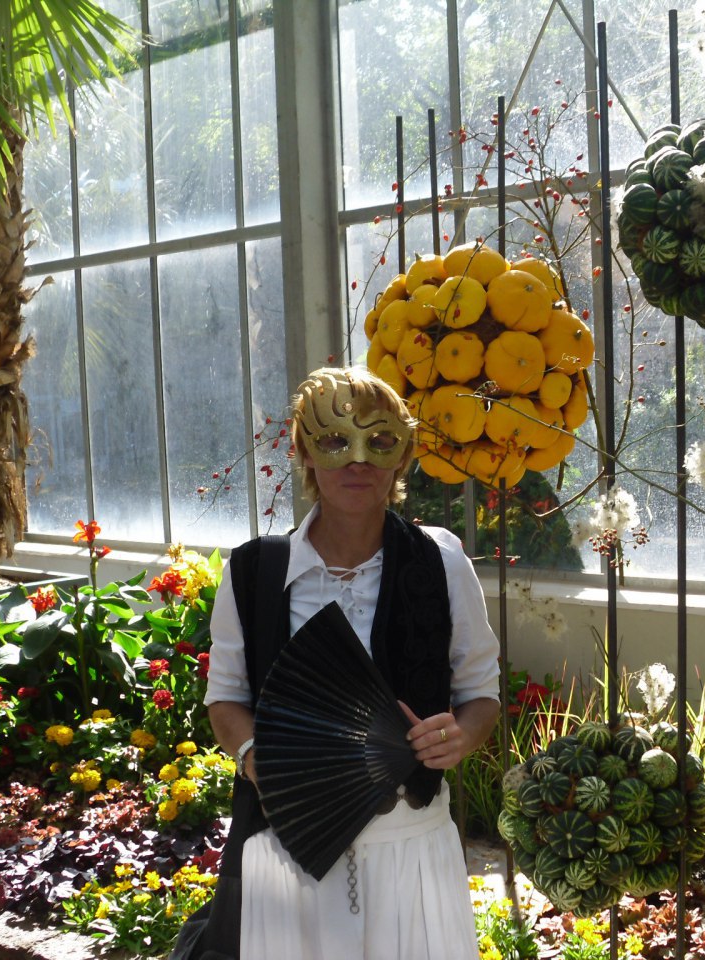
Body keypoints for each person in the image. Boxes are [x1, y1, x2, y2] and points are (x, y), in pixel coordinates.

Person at [172, 367, 500, 960]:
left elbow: (481, 692)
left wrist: (462, 735)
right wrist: (258, 759)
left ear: (404, 454)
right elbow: (225, 699)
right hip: (291, 853)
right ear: (303, 451)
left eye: (380, 441)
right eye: (333, 440)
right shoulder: (253, 573)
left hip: (410, 849)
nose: (358, 461)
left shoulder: (442, 565)